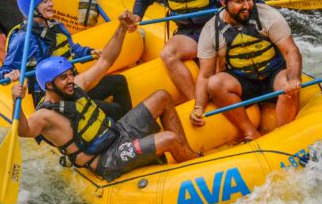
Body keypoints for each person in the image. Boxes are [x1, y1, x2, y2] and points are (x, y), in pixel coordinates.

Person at [11, 16, 199, 182]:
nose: (70, 81)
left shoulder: (76, 86)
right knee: (169, 139)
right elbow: (24, 131)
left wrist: (122, 28)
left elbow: (106, 60)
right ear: (49, 85)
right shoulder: (45, 115)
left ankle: (187, 154)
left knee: (162, 97)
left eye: (69, 75)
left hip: (118, 132)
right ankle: (196, 167)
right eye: (63, 78)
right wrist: (15, 100)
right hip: (106, 158)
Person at [188, 0, 303, 142]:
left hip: (273, 74)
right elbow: (205, 76)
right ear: (223, 3)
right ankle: (249, 132)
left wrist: (294, 79)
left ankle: (282, 137)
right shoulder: (211, 30)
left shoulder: (268, 16)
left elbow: (291, 51)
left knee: (287, 85)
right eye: (239, 1)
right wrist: (198, 106)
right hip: (243, 81)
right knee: (214, 83)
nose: (247, 6)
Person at [0, 0, 133, 118]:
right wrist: (7, 76)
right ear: (32, 8)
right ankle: (122, 131)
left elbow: (72, 49)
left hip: (72, 82)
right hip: (52, 93)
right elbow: (5, 69)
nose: (51, 4)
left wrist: (89, 52)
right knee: (114, 110)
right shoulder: (23, 38)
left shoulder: (56, 26)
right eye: (45, 1)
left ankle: (130, 125)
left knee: (119, 81)